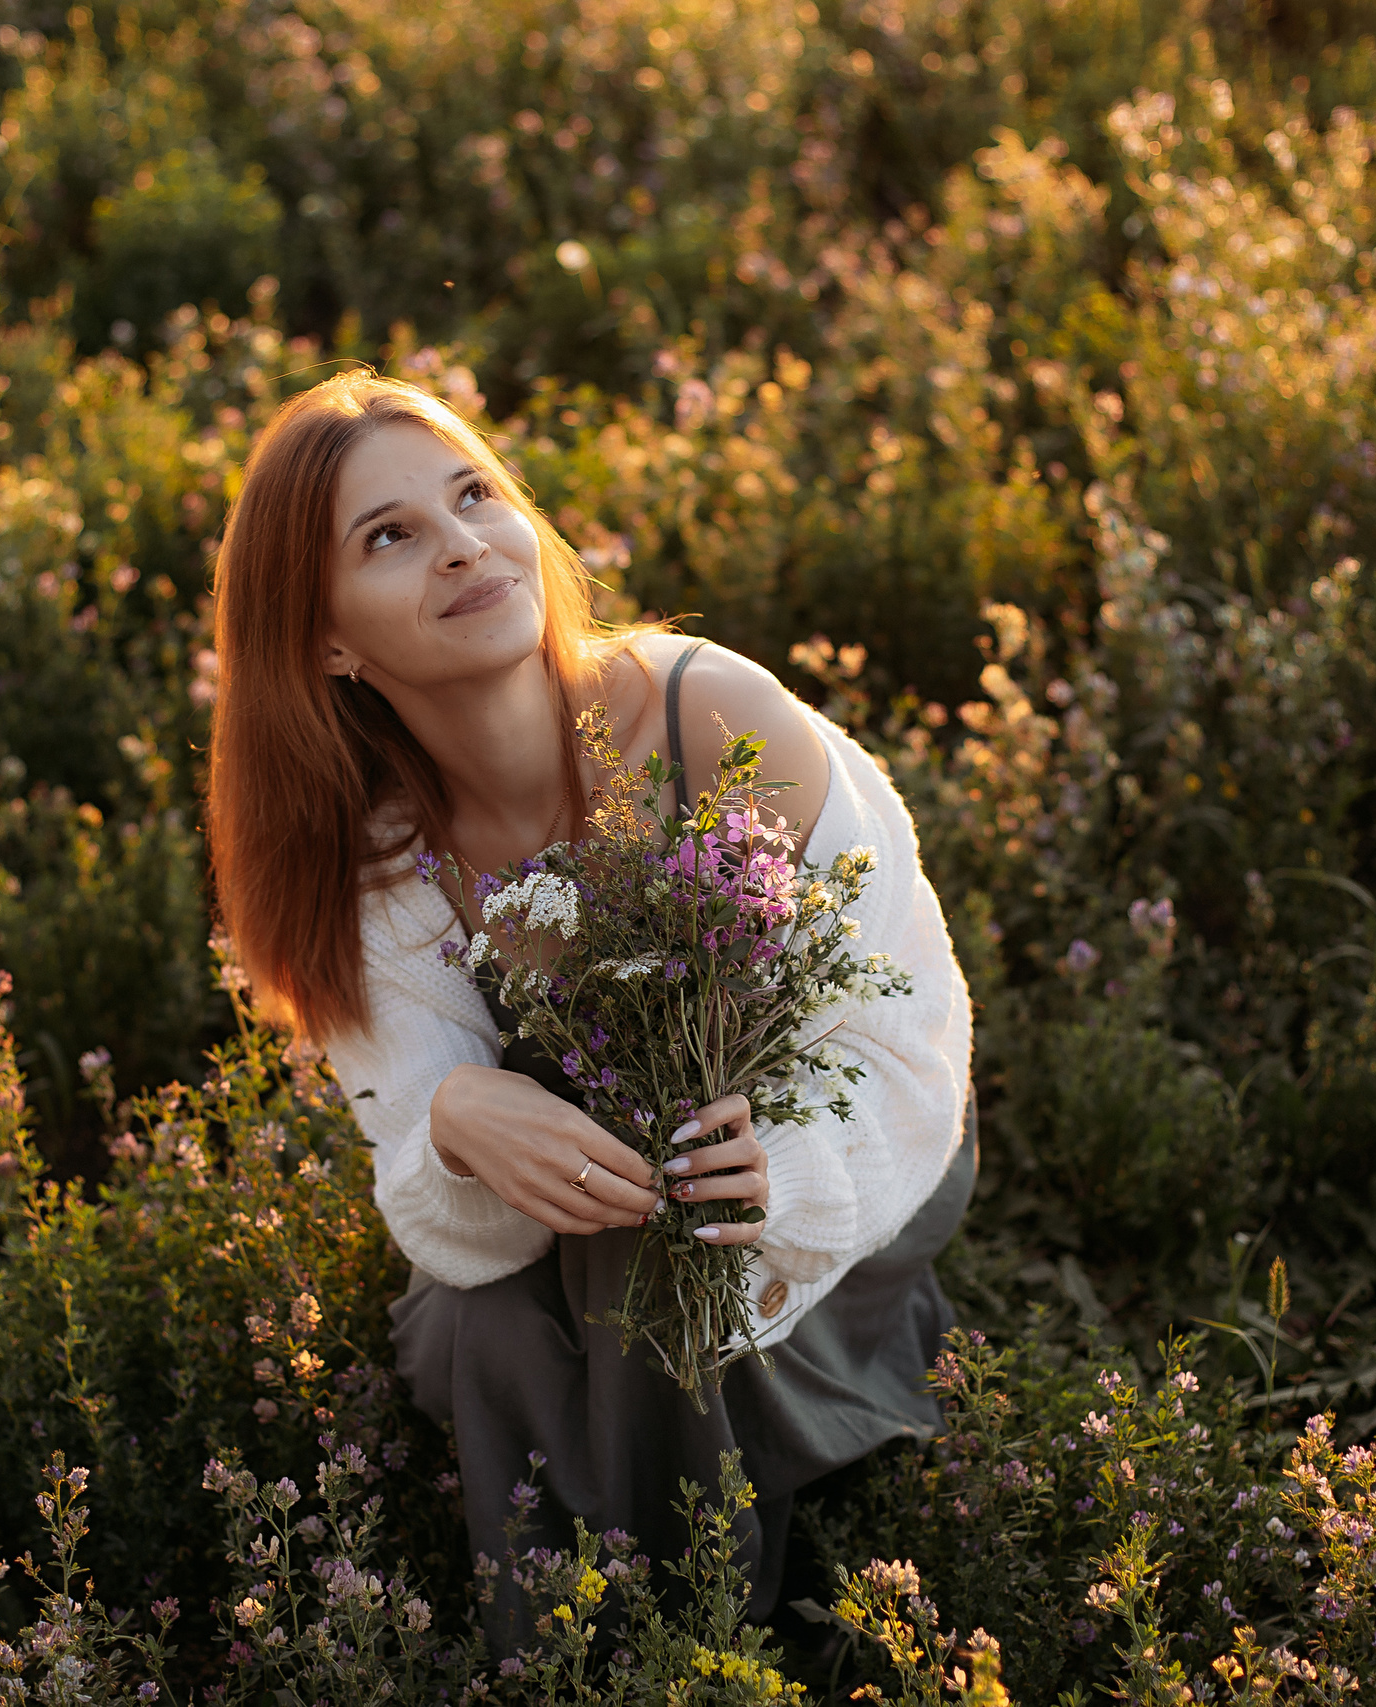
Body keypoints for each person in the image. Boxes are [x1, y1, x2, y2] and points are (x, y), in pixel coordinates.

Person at [206, 369, 974, 1626]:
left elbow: (898, 1053)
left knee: (636, 1248)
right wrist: (456, 1114)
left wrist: (775, 1170)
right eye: (389, 537)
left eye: (474, 497)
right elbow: (442, 1211)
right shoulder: (376, 869)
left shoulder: (712, 728)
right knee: (500, 1323)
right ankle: (595, 1649)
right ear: (324, 639)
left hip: (830, 1165)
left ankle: (660, 1647)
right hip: (588, 1195)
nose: (462, 547)